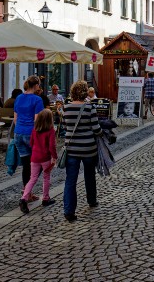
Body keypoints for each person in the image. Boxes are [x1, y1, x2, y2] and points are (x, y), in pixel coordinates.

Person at [63, 80, 102, 222]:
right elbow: (96, 128)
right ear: (85, 92)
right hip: (88, 148)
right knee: (89, 175)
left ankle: (68, 211)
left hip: (72, 148)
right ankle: (92, 200)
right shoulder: (89, 107)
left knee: (70, 180)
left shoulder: (66, 108)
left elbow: (66, 127)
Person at [19, 108, 57, 213]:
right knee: (46, 178)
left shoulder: (34, 130)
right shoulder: (51, 131)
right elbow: (52, 146)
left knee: (32, 178)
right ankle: (45, 198)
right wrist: (54, 157)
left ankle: (24, 198)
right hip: (45, 158)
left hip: (34, 157)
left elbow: (31, 143)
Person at [14, 76, 44, 201]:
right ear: (36, 85)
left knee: (26, 165)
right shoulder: (37, 100)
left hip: (18, 133)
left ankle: (27, 191)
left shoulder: (19, 97)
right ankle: (27, 191)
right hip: (31, 134)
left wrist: (20, 129)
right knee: (41, 163)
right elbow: (37, 120)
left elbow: (15, 118)